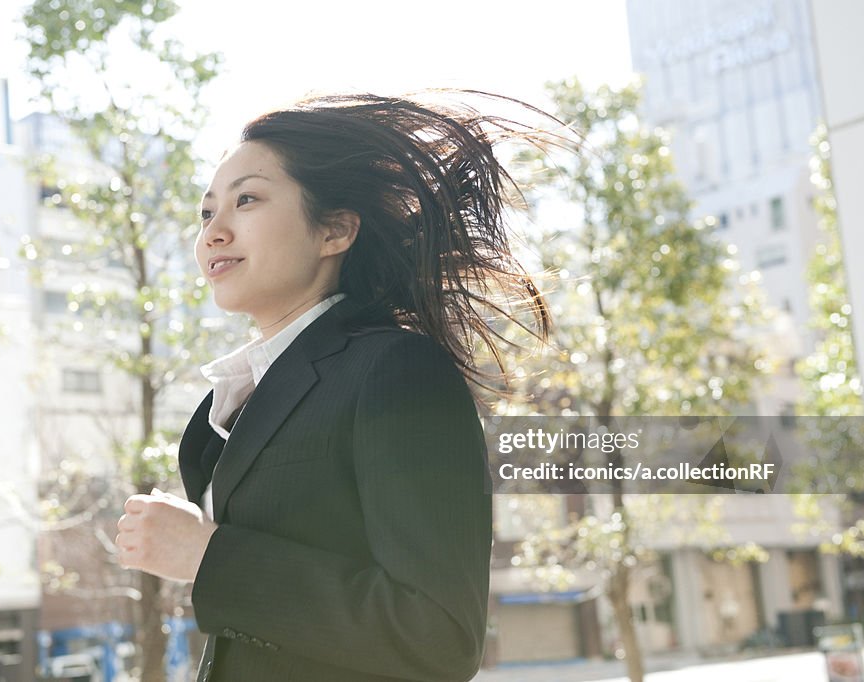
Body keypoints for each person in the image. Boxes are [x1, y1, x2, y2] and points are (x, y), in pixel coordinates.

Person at [115, 92, 552, 682]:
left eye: (246, 200)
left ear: (336, 231)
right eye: (205, 212)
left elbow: (438, 636)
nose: (213, 232)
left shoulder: (396, 370)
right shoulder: (222, 410)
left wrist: (205, 554)